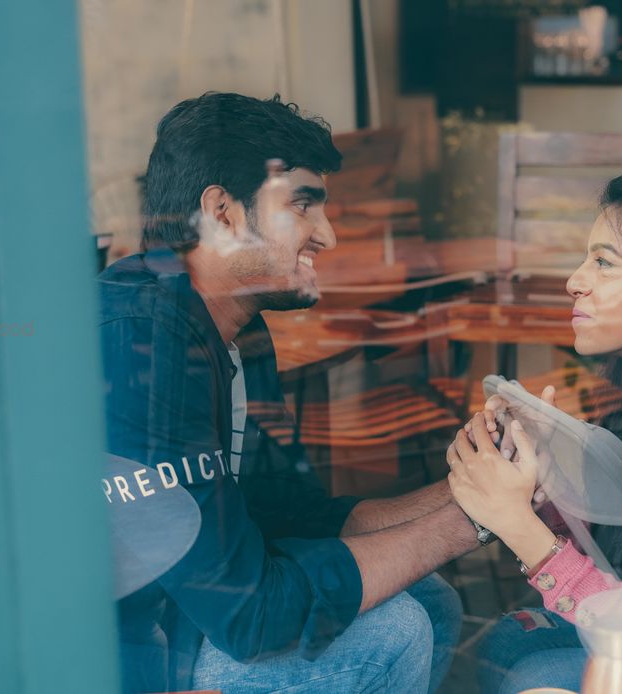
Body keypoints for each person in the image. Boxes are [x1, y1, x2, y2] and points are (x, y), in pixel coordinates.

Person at [99, 92, 478, 694]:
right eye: (302, 206)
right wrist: (469, 528)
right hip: (132, 653)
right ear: (223, 212)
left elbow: (285, 514)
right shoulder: (142, 348)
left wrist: (475, 496)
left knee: (429, 600)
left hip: (198, 609)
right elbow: (249, 615)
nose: (325, 234)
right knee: (393, 630)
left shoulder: (237, 331)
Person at [448, 172, 622, 693]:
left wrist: (516, 525)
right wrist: (545, 492)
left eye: (603, 262)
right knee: (511, 642)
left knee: (531, 675)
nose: (575, 280)